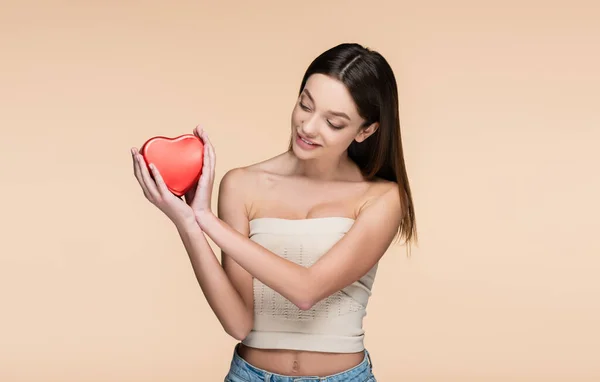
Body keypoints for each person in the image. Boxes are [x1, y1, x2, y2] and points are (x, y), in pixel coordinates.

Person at [131, 42, 417, 381]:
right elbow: (238, 323)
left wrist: (207, 220)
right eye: (305, 105)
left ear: (366, 130)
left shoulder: (382, 199)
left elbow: (306, 290)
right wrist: (189, 224)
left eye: (334, 122)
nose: (308, 127)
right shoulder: (242, 184)